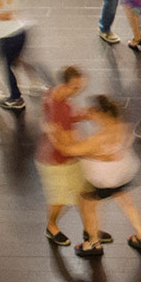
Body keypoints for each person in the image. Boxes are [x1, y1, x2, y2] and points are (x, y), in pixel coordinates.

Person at [59, 95, 141, 256]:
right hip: (123, 174)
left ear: (100, 113)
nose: (90, 116)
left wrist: (56, 133)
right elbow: (114, 150)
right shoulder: (122, 126)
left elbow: (70, 150)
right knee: (127, 203)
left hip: (102, 179)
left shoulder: (99, 138)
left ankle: (93, 243)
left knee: (88, 207)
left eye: (92, 113)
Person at [40, 67, 90, 246]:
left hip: (62, 157)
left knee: (82, 194)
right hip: (57, 160)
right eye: (75, 88)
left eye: (80, 87)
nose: (79, 91)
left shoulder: (54, 95)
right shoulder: (58, 109)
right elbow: (65, 143)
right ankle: (51, 227)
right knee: (60, 199)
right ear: (65, 84)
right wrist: (89, 149)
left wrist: (79, 116)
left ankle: (89, 228)